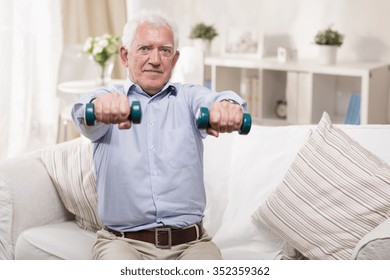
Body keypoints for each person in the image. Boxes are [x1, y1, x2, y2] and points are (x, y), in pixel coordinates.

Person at [71, 10, 247, 260]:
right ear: (125, 55)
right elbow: (81, 113)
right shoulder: (111, 100)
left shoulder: (190, 98)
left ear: (174, 60)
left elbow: (215, 100)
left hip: (191, 244)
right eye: (144, 48)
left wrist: (227, 106)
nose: (155, 59)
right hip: (123, 244)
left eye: (164, 50)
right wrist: (101, 108)